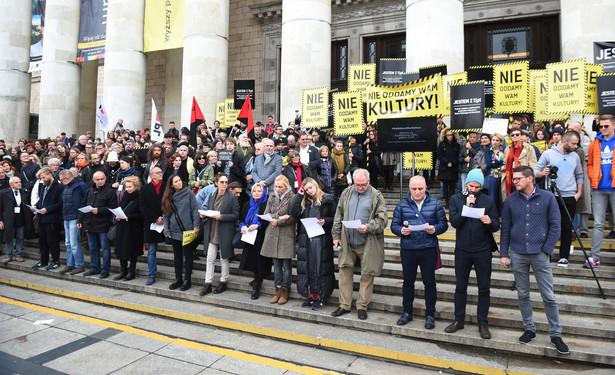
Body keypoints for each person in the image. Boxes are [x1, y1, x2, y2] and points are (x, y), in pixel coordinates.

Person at [500, 166, 569, 354]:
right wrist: (503, 254)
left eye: (518, 179)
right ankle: (529, 328)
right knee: (523, 294)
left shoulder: (547, 198)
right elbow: (505, 228)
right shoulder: (511, 200)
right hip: (517, 253)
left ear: (530, 178)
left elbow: (556, 226)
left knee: (549, 296)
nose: (514, 182)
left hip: (540, 253)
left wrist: (547, 250)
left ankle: (555, 334)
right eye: (513, 179)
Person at [446, 169, 499, 339]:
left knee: (484, 288)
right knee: (460, 287)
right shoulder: (456, 199)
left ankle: (483, 323)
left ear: (481, 186)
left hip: (482, 250)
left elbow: (496, 225)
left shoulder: (488, 201)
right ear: (466, 184)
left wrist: (489, 221)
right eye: (471, 186)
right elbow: (454, 222)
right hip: (462, 250)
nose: (473, 189)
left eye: (477, 187)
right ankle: (458, 319)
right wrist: (466, 207)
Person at [391, 176, 448, 329]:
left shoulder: (435, 204)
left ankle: (430, 314)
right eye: (414, 189)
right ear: (409, 189)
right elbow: (393, 226)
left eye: (420, 189)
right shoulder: (402, 205)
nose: (417, 192)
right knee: (408, 282)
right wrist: (401, 231)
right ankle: (407, 312)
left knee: (429, 282)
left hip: (428, 248)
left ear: (426, 188)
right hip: (408, 248)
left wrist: (435, 229)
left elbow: (444, 224)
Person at [331, 169, 387, 320]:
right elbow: (338, 216)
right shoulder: (347, 193)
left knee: (367, 275)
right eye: (357, 185)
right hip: (347, 242)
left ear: (369, 181)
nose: (360, 188)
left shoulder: (376, 196)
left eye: (363, 185)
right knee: (344, 274)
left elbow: (382, 221)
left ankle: (362, 306)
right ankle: (344, 305)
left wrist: (368, 227)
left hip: (367, 244)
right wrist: (336, 236)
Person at [534, 131, 583, 267]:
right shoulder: (548, 153)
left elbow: (579, 175)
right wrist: (543, 172)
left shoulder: (575, 156)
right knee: (548, 225)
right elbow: (535, 171)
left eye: (577, 144)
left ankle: (564, 255)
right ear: (565, 141)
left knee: (567, 227)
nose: (575, 146)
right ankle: (546, 253)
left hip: (570, 195)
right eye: (573, 143)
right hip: (552, 195)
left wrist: (578, 193)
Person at [290, 177, 336, 310]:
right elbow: (294, 212)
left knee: (320, 268)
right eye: (306, 189)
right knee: (308, 268)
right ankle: (312, 295)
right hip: (307, 239)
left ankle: (321, 296)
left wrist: (325, 221)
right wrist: (299, 195)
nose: (309, 191)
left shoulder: (327, 199)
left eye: (311, 187)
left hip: (322, 239)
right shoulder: (304, 201)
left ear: (316, 185)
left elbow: (336, 218)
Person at [199, 173, 239, 295]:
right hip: (212, 229)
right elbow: (207, 209)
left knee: (224, 257)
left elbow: (236, 215)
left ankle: (223, 281)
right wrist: (204, 214)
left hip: (224, 230)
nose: (224, 185)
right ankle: (208, 283)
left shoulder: (231, 197)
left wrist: (221, 216)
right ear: (216, 183)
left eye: (226, 182)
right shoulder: (212, 195)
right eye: (222, 182)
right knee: (210, 258)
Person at [261, 175, 296, 305]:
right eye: (276, 186)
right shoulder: (272, 196)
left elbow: (293, 217)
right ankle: (278, 289)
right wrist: (281, 217)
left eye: (280, 187)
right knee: (276, 265)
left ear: (286, 186)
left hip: (286, 234)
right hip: (272, 232)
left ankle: (286, 290)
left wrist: (278, 221)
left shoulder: (292, 197)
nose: (277, 189)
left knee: (286, 265)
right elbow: (267, 213)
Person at [162, 174, 200, 291]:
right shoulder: (168, 196)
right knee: (177, 257)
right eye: (176, 181)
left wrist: (196, 225)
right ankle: (178, 278)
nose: (179, 183)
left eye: (179, 180)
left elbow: (195, 209)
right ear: (171, 185)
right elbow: (166, 214)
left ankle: (188, 280)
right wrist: (167, 230)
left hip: (188, 230)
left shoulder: (188, 192)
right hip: (174, 230)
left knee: (188, 256)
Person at [78, 171, 117, 278]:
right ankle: (95, 268)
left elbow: (113, 207)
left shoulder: (110, 192)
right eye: (98, 180)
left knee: (105, 249)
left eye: (102, 179)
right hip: (90, 223)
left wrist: (99, 210)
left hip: (103, 224)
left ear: (105, 178)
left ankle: (105, 270)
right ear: (93, 180)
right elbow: (84, 204)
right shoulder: (89, 190)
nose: (100, 181)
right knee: (93, 248)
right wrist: (79, 220)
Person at [238, 184, 271, 300]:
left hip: (261, 236)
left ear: (263, 193)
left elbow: (268, 220)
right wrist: (242, 226)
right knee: (251, 260)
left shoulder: (266, 204)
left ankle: (257, 284)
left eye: (259, 191)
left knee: (259, 260)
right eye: (254, 191)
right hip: (248, 236)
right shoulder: (247, 204)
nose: (256, 193)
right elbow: (241, 218)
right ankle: (256, 278)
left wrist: (258, 225)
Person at [31, 168, 65, 271]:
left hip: (52, 219)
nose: (43, 180)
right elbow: (41, 200)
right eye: (41, 178)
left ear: (50, 174)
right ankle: (43, 260)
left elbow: (60, 203)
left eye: (44, 177)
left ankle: (56, 261)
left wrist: (47, 209)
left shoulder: (59, 187)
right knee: (42, 241)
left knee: (53, 241)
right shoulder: (43, 187)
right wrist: (36, 206)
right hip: (41, 218)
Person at [112, 176, 143, 281]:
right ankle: (123, 270)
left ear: (136, 186)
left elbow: (142, 215)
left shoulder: (139, 197)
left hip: (133, 228)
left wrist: (129, 217)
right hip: (122, 226)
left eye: (130, 187)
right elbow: (120, 208)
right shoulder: (125, 196)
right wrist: (117, 216)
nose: (128, 189)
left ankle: (131, 271)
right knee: (121, 249)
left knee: (132, 251)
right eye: (126, 187)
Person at [58, 169, 88, 275]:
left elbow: (85, 200)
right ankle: (70, 264)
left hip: (75, 217)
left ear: (66, 178)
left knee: (75, 243)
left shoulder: (80, 185)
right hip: (67, 217)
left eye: (61, 180)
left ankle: (79, 265)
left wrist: (81, 217)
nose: (60, 182)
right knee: (68, 243)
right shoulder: (67, 187)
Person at [139, 166, 166, 285]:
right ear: (151, 175)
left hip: (166, 221)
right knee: (151, 250)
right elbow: (143, 206)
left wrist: (164, 217)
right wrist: (155, 218)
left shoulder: (167, 187)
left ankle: (181, 270)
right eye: (157, 172)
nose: (160, 174)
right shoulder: (145, 189)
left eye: (161, 172)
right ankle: (151, 275)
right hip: (152, 222)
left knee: (177, 247)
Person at [0, 177, 29, 263]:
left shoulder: (25, 191)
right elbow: (0, 208)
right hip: (8, 218)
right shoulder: (3, 193)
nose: (19, 184)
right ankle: (8, 255)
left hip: (20, 217)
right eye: (16, 182)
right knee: (9, 237)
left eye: (19, 182)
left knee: (20, 237)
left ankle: (18, 255)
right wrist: (0, 220)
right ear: (11, 184)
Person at [502, 128, 538, 198]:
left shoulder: (528, 148)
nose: (515, 136)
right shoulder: (507, 149)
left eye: (517, 134)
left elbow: (533, 164)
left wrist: (529, 176)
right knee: (511, 199)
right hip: (510, 177)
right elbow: (504, 162)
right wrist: (503, 166)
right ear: (510, 137)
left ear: (521, 136)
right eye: (512, 135)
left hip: (524, 177)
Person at [438, 128, 461, 208]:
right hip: (444, 168)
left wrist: (453, 162)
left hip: (453, 168)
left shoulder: (457, 145)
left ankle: (450, 202)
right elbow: (439, 155)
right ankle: (446, 202)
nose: (450, 136)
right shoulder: (442, 144)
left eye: (451, 135)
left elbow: (459, 156)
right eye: (448, 135)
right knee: (445, 185)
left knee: (452, 186)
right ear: (445, 135)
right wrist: (446, 162)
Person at [484, 133, 505, 213]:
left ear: (500, 141)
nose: (495, 142)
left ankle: (502, 217)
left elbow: (506, 161)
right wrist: (500, 163)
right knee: (492, 198)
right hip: (492, 176)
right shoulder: (488, 151)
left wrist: (497, 163)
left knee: (502, 198)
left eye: (497, 140)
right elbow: (489, 163)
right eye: (493, 140)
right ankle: (493, 216)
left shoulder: (504, 150)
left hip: (503, 176)